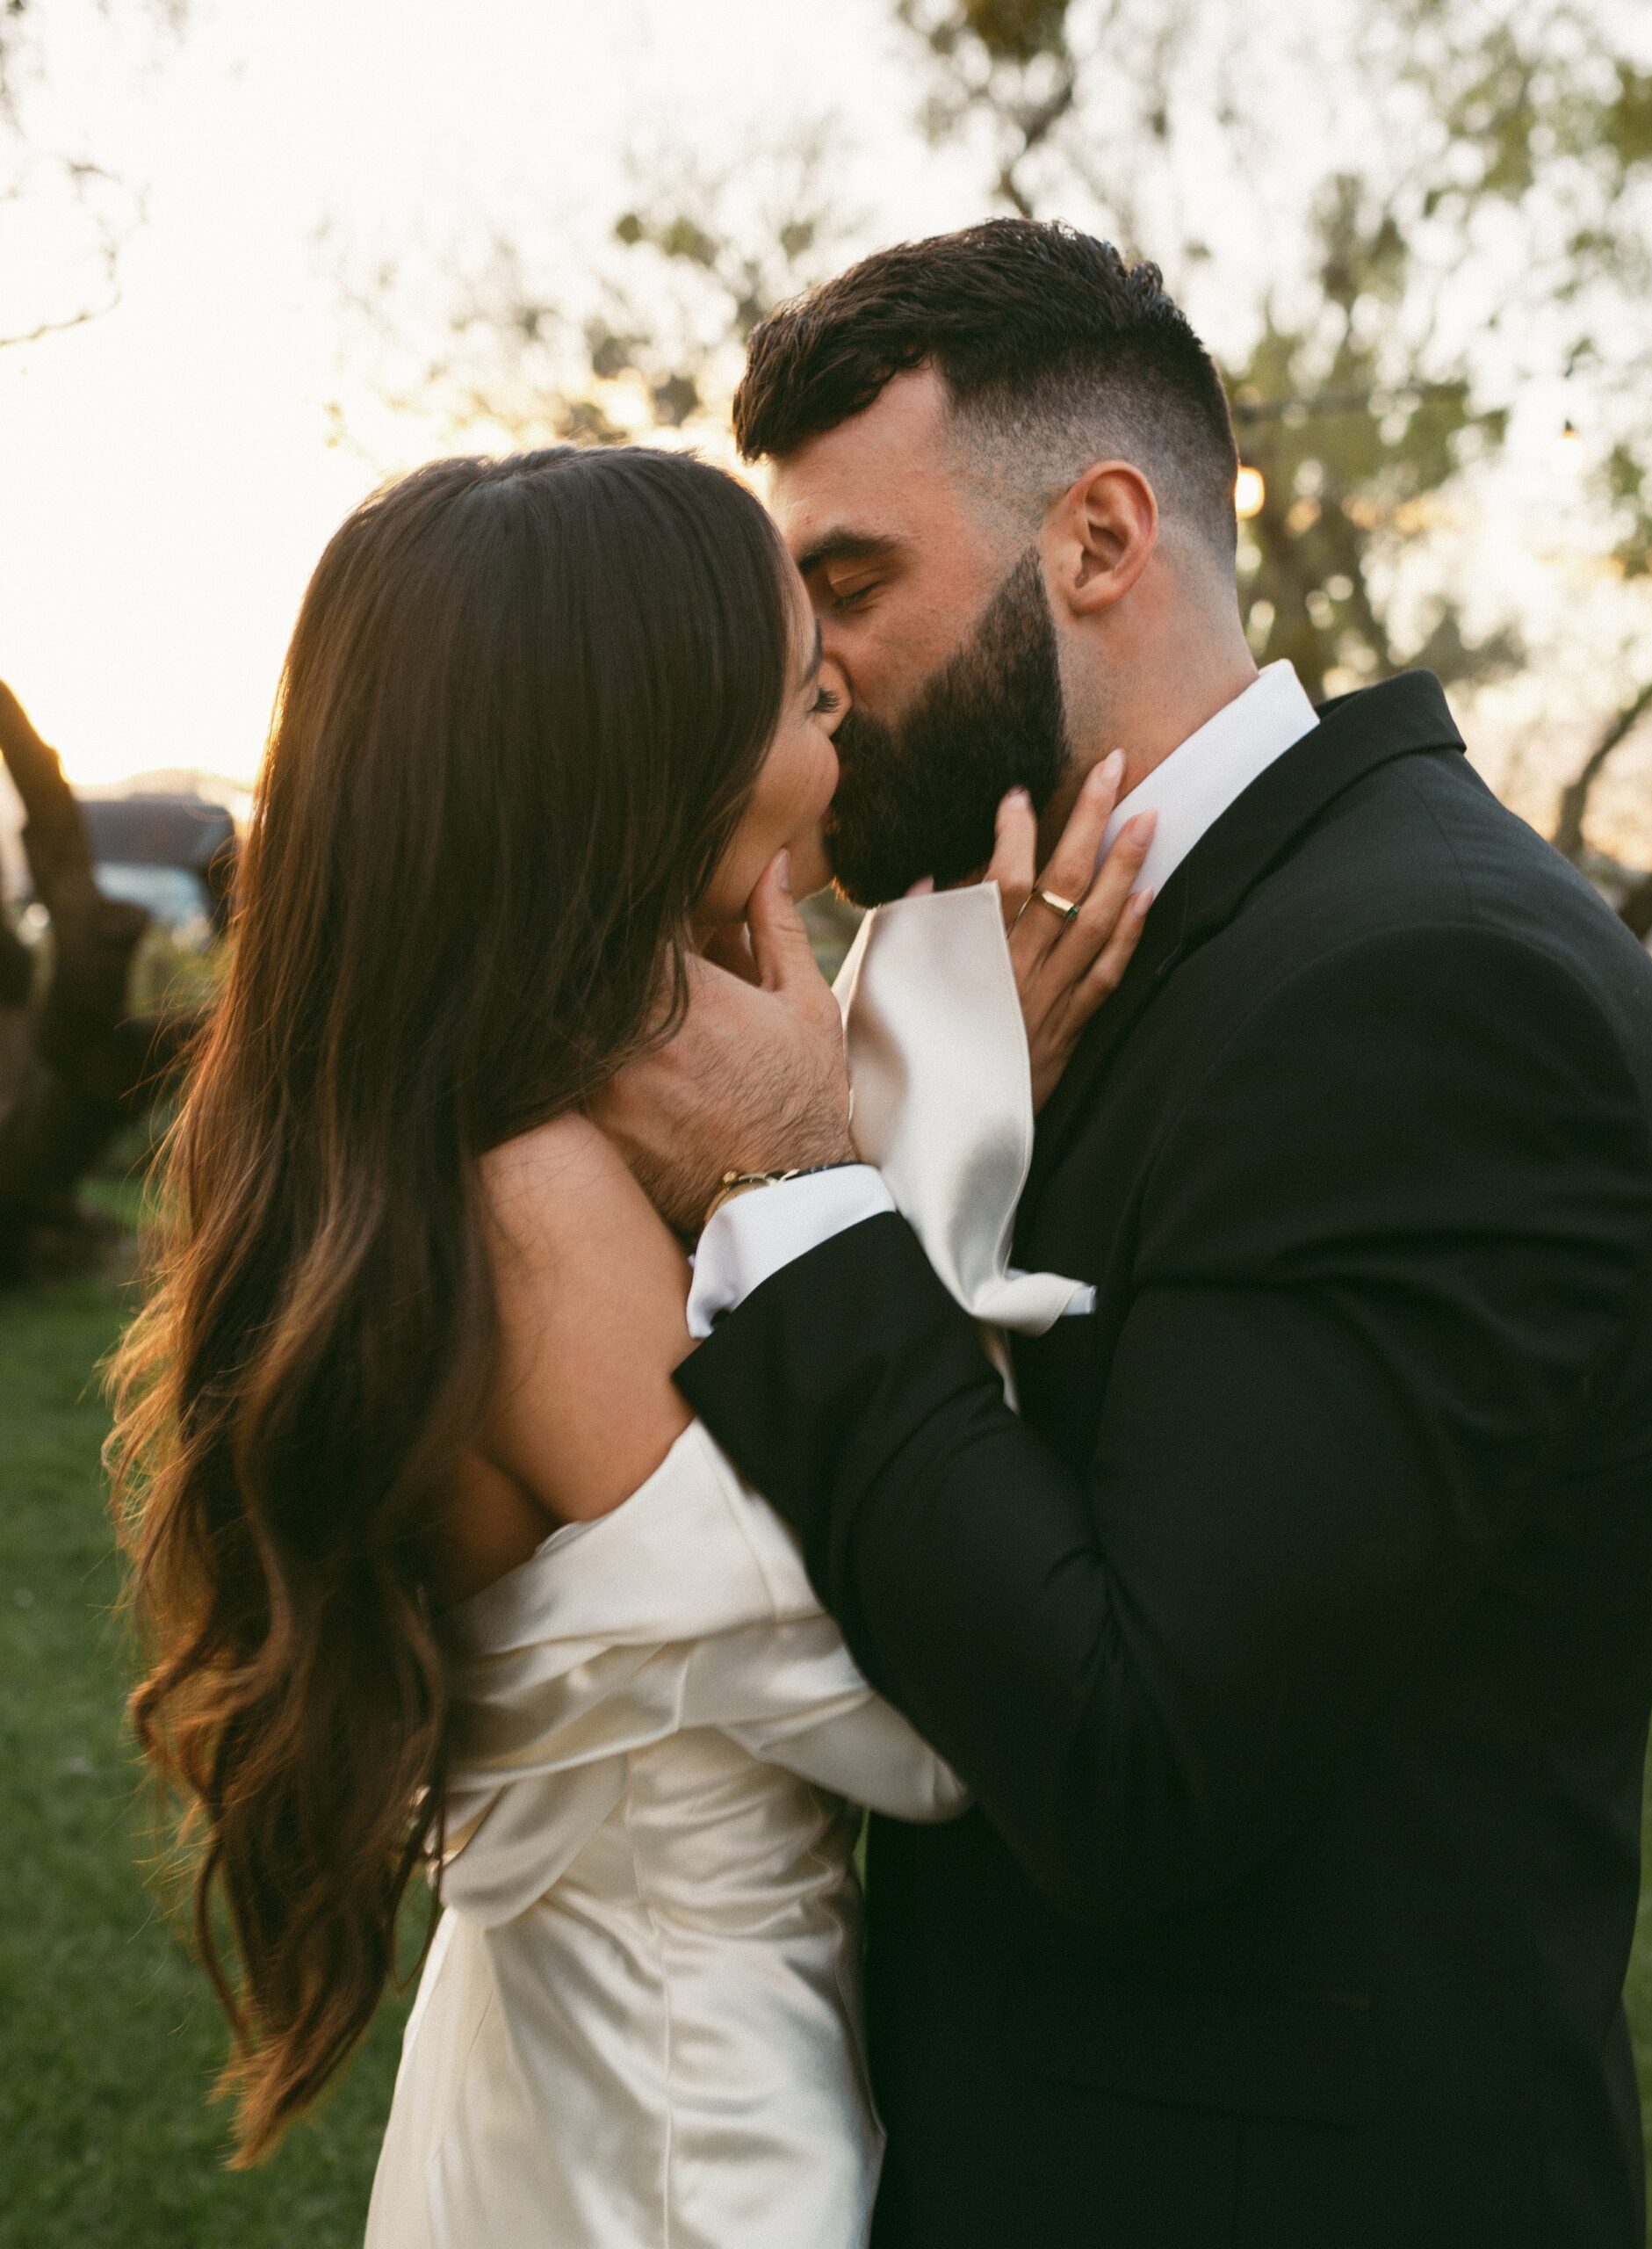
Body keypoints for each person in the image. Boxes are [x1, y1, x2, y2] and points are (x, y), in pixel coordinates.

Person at [597, 220, 1652, 2247]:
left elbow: (1132, 1751)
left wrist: (798, 1183)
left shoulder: (1428, 982)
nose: (812, 671)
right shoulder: (1046, 964)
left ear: (1097, 539)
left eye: (850, 582)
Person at [106, 442, 1154, 2247]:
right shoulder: (541, 1205)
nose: (841, 741)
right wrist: (920, 1120)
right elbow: (918, 1704)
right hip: (679, 2140)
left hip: (563, 2072)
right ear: (656, 751)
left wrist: (877, 1092)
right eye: (806, 694)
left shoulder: (478, 1130)